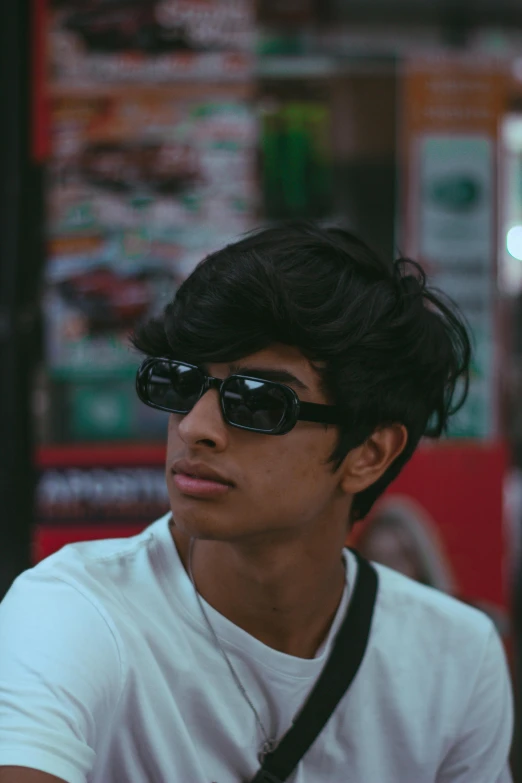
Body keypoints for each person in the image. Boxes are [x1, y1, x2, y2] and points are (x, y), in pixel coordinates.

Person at [0, 222, 513, 782]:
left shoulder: (454, 658)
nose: (195, 427)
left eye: (260, 402)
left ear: (369, 453)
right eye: (179, 383)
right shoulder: (76, 613)